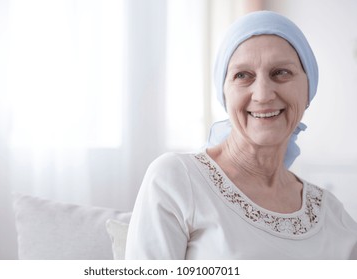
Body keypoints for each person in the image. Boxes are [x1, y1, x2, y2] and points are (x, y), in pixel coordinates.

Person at [125, 10, 357, 259]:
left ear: (308, 90)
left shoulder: (331, 214)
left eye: (281, 72)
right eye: (243, 76)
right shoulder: (176, 180)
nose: (263, 94)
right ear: (224, 94)